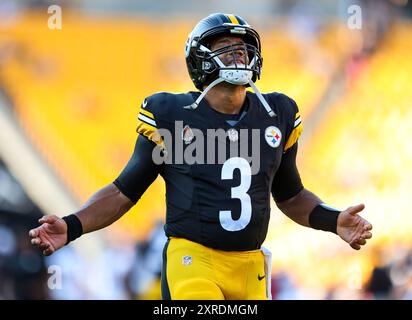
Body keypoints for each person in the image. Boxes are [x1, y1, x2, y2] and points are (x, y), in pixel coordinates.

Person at [29, 13, 373, 300]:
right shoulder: (171, 114)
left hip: (251, 267)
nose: (237, 57)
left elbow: (291, 195)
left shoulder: (277, 113)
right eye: (225, 49)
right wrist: (72, 226)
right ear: (200, 60)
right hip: (195, 260)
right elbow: (123, 192)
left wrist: (333, 220)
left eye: (242, 49)